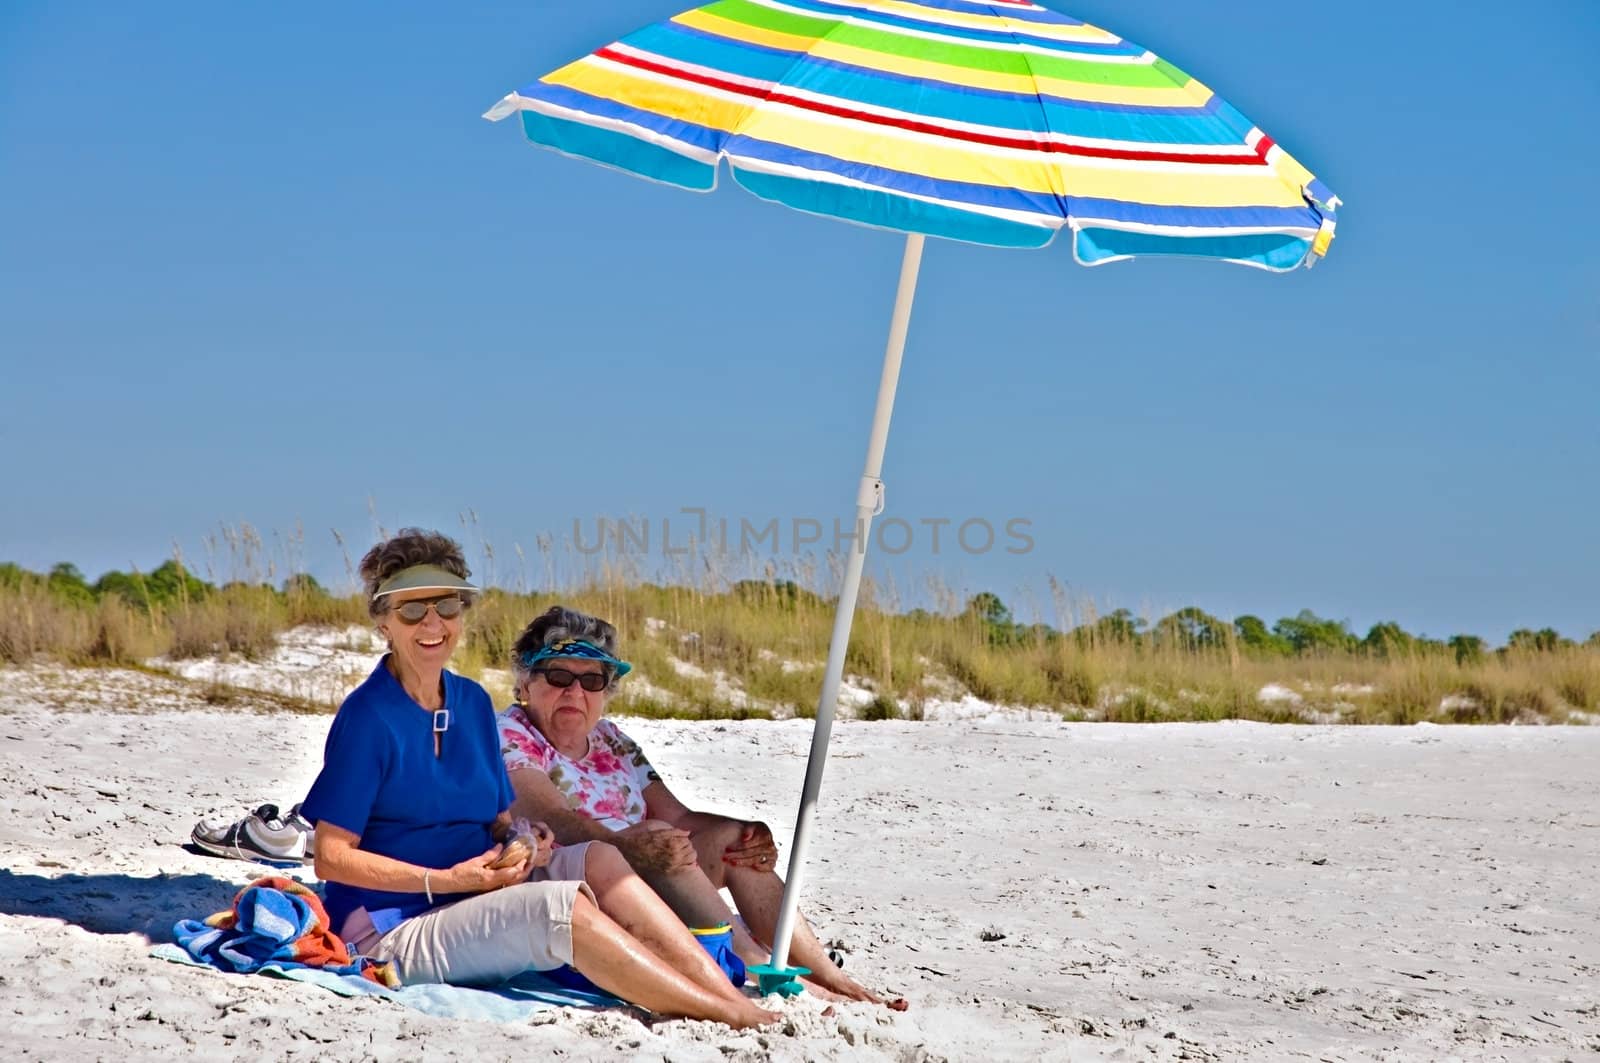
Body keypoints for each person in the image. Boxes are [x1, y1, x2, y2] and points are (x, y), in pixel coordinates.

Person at [299, 530, 776, 1028]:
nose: (432, 623)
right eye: (411, 610)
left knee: (600, 856)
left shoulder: (471, 703)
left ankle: (725, 989)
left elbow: (499, 820)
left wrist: (524, 838)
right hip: (392, 925)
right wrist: (446, 879)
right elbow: (331, 859)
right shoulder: (368, 716)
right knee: (558, 907)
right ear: (383, 621)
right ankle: (728, 1012)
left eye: (446, 606)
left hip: (475, 893)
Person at [498, 605, 900, 1007]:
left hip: (643, 870)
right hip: (573, 874)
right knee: (657, 836)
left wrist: (748, 831)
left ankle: (826, 974)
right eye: (558, 676)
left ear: (606, 691)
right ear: (525, 684)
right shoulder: (512, 732)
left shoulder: (611, 739)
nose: (575, 691)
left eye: (592, 680)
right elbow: (551, 817)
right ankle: (756, 962)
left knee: (734, 840)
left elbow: (679, 817)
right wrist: (629, 846)